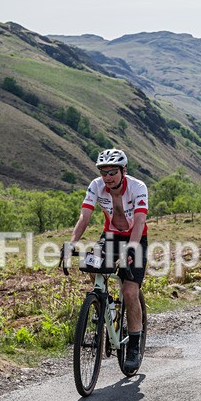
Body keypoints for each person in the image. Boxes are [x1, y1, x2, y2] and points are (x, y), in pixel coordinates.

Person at [68, 149, 149, 370]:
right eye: (104, 172)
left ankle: (133, 343)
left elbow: (140, 220)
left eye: (112, 172)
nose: (107, 177)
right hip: (111, 237)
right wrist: (71, 243)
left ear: (124, 170)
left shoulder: (137, 187)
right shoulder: (96, 186)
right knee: (90, 262)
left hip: (135, 239)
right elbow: (85, 216)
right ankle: (106, 303)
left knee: (130, 292)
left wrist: (131, 251)